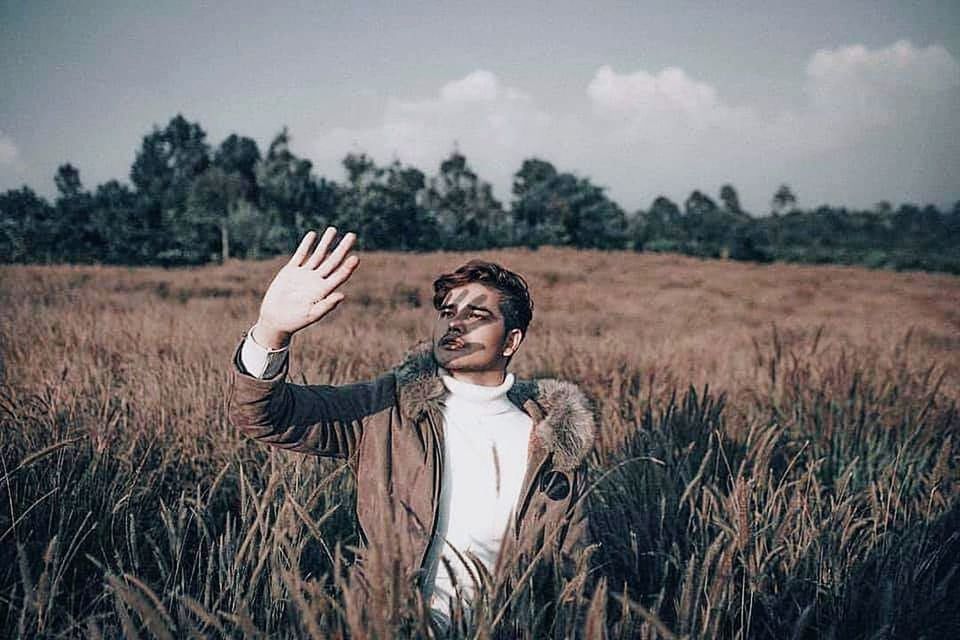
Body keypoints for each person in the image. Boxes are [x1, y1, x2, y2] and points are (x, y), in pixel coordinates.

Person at [229, 227, 595, 629]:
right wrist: (270, 331)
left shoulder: (552, 442)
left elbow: (573, 576)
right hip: (391, 627)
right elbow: (264, 417)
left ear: (511, 341)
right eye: (448, 313)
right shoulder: (386, 409)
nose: (455, 324)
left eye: (476, 315)